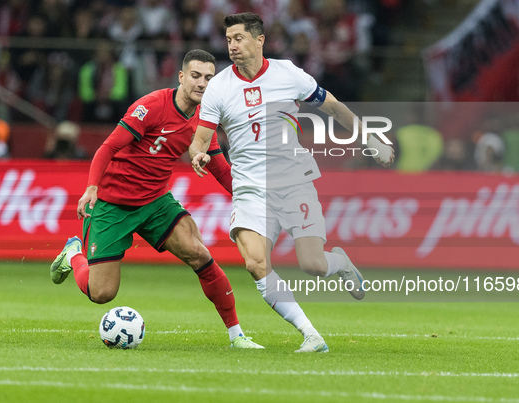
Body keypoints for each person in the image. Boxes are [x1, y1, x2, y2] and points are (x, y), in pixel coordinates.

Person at [189, 13, 395, 353]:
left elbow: (333, 107)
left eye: (239, 38)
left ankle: (339, 263)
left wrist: (369, 138)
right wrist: (199, 154)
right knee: (256, 263)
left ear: (259, 40)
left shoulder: (287, 74)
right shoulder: (220, 88)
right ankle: (311, 335)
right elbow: (200, 139)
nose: (232, 45)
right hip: (250, 188)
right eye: (228, 39)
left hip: (294, 181)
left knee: (312, 264)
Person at [50, 49, 263, 349]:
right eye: (195, 76)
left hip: (155, 202)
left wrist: (248, 199)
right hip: (113, 204)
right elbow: (107, 148)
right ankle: (74, 254)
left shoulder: (205, 119)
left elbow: (220, 168)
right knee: (101, 294)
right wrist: (92, 187)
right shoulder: (151, 106)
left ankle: (236, 335)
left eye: (209, 78)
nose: (202, 83)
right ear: (181, 77)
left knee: (199, 254)